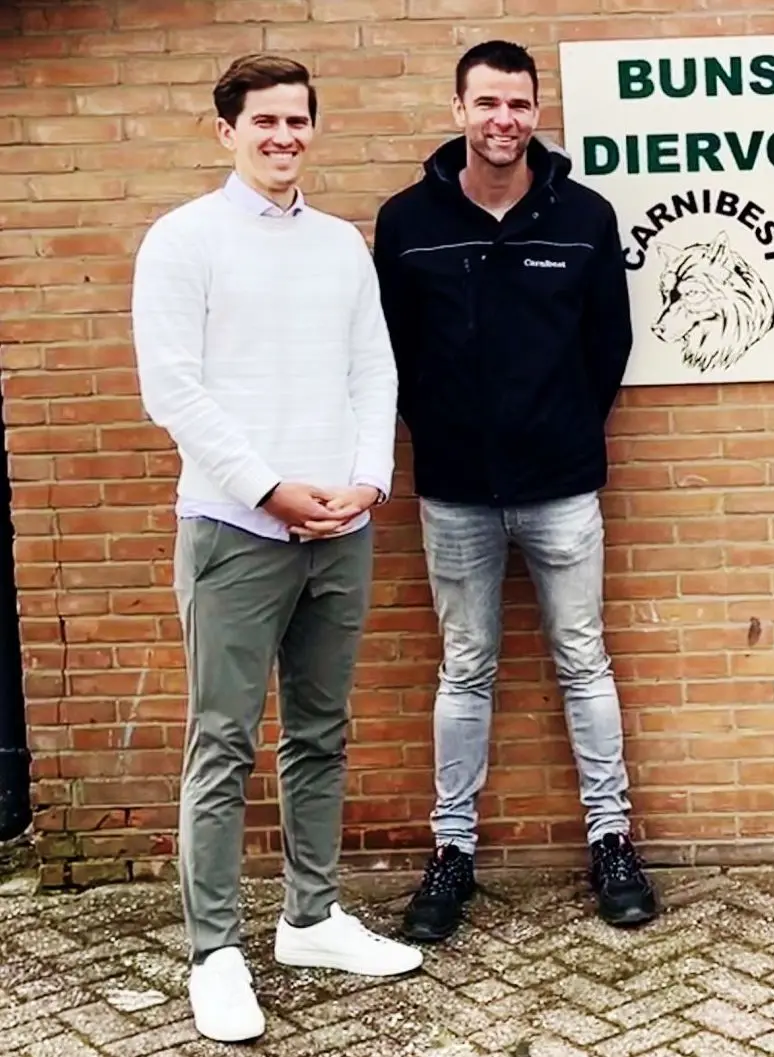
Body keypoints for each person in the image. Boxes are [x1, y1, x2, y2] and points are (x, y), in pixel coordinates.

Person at [131, 53, 420, 1044]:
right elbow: (173, 389)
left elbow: (372, 369)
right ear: (227, 131)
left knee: (320, 729)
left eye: (297, 120)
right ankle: (214, 952)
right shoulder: (183, 241)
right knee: (222, 741)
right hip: (235, 528)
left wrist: (367, 480)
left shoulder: (339, 246)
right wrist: (267, 488)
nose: (283, 136)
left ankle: (311, 917)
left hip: (340, 527)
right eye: (264, 121)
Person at [372, 40, 653, 942]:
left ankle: (612, 841)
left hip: (562, 486)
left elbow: (608, 345)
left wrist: (561, 428)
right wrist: (441, 431)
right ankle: (452, 851)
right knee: (466, 668)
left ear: (537, 112)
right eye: (488, 103)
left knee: (584, 659)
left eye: (519, 104)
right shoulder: (407, 221)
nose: (504, 120)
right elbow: (390, 356)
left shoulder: (584, 217)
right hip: (455, 491)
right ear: (458, 109)